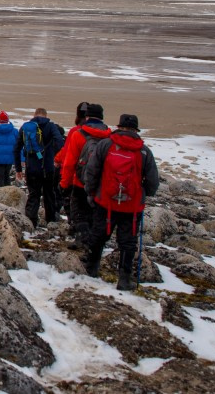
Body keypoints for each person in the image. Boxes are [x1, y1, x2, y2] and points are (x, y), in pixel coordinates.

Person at [82, 113, 161, 290]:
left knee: (99, 235)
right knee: (128, 242)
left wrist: (91, 192)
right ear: (135, 130)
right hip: (131, 206)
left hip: (105, 201)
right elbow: (153, 181)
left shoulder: (105, 145)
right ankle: (124, 279)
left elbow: (92, 171)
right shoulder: (144, 151)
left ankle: (91, 269)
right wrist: (144, 194)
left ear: (119, 127)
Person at [58, 102, 111, 252]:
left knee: (79, 213)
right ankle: (94, 244)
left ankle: (82, 240)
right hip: (101, 184)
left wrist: (64, 183)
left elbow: (70, 162)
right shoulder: (110, 136)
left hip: (80, 182)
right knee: (96, 213)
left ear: (87, 117)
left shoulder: (78, 134)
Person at [17, 108, 66, 228]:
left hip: (31, 168)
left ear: (34, 115)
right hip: (48, 167)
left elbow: (16, 148)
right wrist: (52, 153)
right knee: (49, 194)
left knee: (33, 194)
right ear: (46, 115)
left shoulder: (26, 127)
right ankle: (50, 221)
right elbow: (60, 142)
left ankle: (31, 222)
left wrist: (18, 169)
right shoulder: (51, 126)